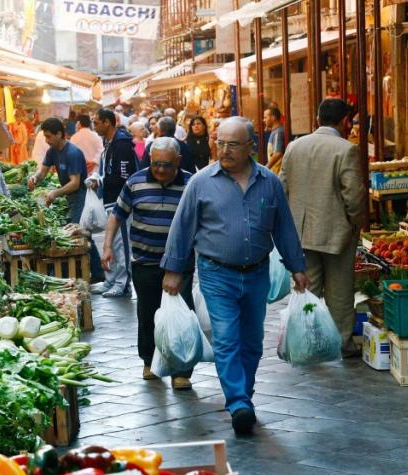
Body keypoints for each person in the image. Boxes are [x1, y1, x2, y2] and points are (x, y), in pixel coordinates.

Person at [161, 117, 308, 435]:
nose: (223, 150)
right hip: (216, 273)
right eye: (220, 143)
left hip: (256, 274)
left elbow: (284, 227)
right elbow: (182, 227)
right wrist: (173, 271)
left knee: (252, 341)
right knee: (226, 339)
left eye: (232, 144)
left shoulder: (269, 182)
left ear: (251, 146)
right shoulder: (201, 182)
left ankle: (246, 395)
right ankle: (239, 403)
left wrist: (297, 266)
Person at [102, 137, 196, 388]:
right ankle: (150, 360)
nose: (161, 170)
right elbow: (117, 216)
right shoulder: (136, 181)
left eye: (167, 165)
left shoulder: (191, 184)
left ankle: (181, 370)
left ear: (178, 161)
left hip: (180, 263)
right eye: (156, 164)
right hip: (145, 260)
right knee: (148, 313)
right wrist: (108, 246)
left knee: (182, 315)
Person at [280, 99, 366, 357]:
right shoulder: (346, 149)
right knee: (340, 292)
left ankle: (308, 341)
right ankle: (341, 343)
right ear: (345, 121)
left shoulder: (294, 147)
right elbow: (354, 195)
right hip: (337, 233)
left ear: (318, 119)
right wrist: (355, 223)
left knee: (308, 290)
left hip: (301, 233)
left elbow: (282, 188)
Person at [26, 118, 103, 280]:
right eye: (45, 137)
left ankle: (95, 274)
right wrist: (34, 178)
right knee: (81, 236)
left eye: (49, 137)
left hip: (80, 197)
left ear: (59, 134)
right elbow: (43, 172)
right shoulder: (52, 151)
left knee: (79, 235)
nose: (46, 141)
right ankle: (94, 273)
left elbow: (75, 183)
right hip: (69, 198)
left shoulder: (73, 153)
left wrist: (54, 193)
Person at [93, 108, 140, 297]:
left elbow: (124, 177)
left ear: (107, 123)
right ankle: (111, 280)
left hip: (121, 202)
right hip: (111, 200)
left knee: (121, 245)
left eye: (97, 122)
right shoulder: (111, 142)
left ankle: (123, 283)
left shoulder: (121, 144)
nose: (94, 126)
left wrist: (101, 181)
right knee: (111, 242)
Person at [263, 107, 287, 174]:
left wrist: (266, 168)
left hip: (278, 174)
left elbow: (277, 153)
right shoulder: (276, 131)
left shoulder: (278, 132)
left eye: (265, 117)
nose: (263, 120)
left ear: (273, 118)